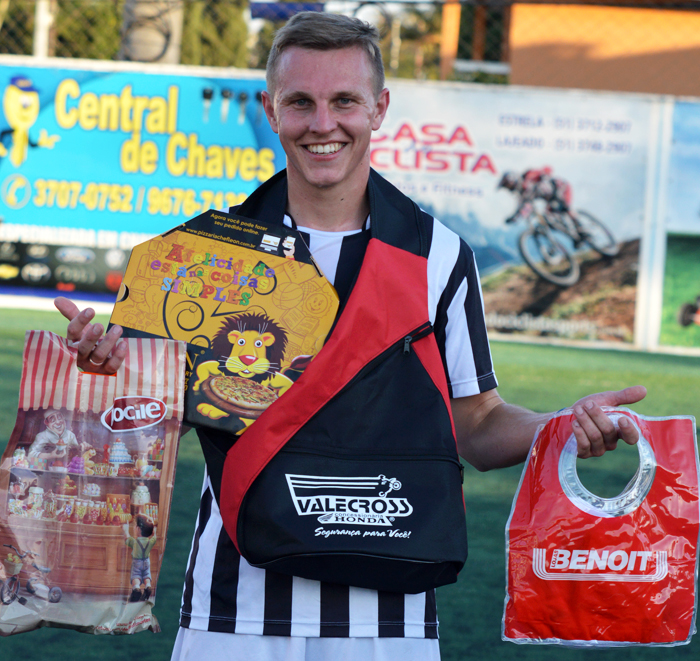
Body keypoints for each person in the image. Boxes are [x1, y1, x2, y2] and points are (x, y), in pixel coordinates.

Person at [54, 12, 646, 661]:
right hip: (234, 610)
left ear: (379, 108)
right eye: (300, 102)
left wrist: (563, 425)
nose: (323, 123)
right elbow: (149, 424)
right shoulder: (204, 257)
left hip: (389, 619)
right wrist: (102, 371)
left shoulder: (440, 256)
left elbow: (476, 424)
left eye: (344, 101)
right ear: (271, 111)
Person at [123, 515, 157, 602]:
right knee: (146, 574)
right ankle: (148, 586)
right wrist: (154, 531)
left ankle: (136, 589)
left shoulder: (134, 542)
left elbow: (127, 538)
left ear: (138, 529)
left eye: (134, 526)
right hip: (146, 561)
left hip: (136, 562)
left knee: (136, 575)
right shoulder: (150, 541)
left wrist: (126, 530)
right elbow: (155, 538)